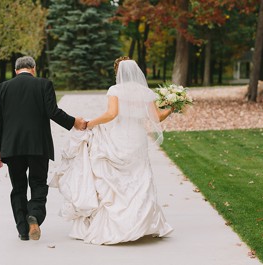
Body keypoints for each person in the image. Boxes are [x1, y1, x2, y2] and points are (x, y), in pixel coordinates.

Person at [50, 58, 174, 245]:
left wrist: (89, 124)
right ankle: (142, 223)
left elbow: (111, 114)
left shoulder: (115, 90)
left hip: (120, 137)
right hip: (138, 138)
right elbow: (157, 117)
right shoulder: (145, 92)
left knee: (117, 180)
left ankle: (118, 225)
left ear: (118, 72)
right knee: (139, 177)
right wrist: (173, 107)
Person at [0, 56, 87, 241]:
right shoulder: (44, 84)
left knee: (18, 187)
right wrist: (74, 122)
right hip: (38, 145)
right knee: (38, 183)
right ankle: (34, 215)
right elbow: (53, 112)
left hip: (12, 146)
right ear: (33, 68)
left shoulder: (2, 88)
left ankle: (22, 229)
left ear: (16, 70)